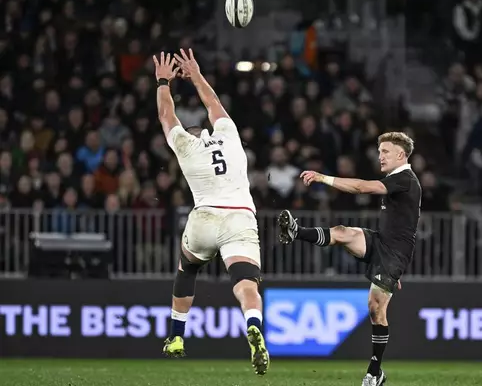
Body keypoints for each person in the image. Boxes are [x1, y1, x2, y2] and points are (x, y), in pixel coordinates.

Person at [153, 50, 269, 375]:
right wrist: (196, 75)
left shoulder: (186, 147)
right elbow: (213, 102)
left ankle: (176, 337)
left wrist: (164, 80)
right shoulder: (230, 137)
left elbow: (166, 114)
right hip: (240, 217)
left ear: (191, 135)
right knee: (247, 283)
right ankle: (254, 323)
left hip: (204, 217)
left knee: (187, 267)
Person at [278, 131, 421, 386]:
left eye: (385, 152)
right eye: (379, 152)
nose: (380, 156)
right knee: (343, 233)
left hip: (394, 254)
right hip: (380, 242)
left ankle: (375, 372)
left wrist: (323, 177)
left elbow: (361, 188)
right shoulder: (397, 178)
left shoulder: (406, 179)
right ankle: (295, 232)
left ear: (401, 154)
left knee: (376, 309)